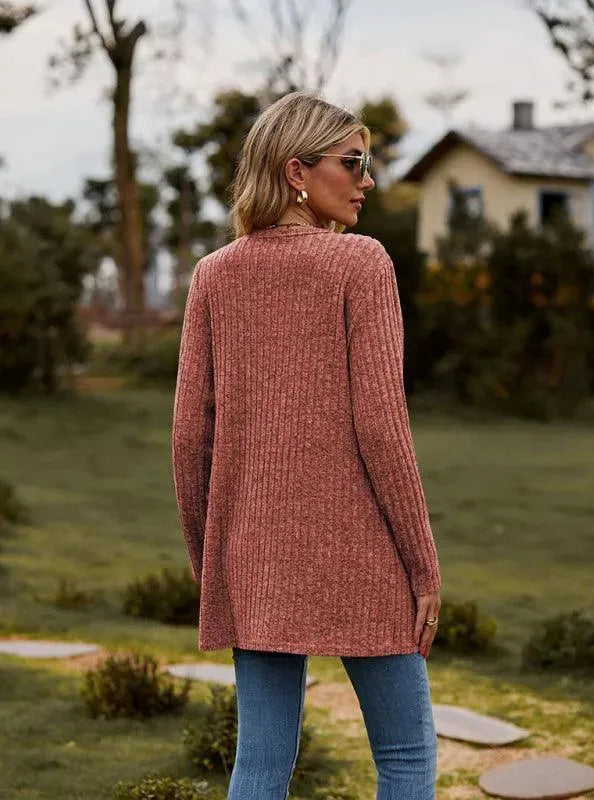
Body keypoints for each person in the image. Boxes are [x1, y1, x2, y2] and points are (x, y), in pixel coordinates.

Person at [171, 90, 442, 800]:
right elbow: (381, 425)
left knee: (260, 763)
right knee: (406, 755)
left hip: (253, 557)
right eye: (352, 163)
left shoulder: (213, 275)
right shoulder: (361, 262)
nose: (367, 181)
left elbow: (190, 438)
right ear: (297, 170)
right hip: (363, 556)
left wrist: (212, 560)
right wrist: (422, 565)